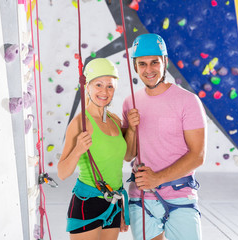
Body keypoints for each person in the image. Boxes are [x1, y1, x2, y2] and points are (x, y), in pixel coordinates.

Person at [122, 33, 207, 240]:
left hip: (180, 195)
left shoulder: (188, 101)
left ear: (165, 62)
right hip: (141, 198)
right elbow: (127, 155)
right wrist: (132, 129)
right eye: (142, 64)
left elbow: (197, 155)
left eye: (154, 62)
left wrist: (157, 178)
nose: (148, 69)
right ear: (135, 67)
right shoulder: (130, 102)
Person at [57, 58, 132, 240]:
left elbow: (128, 156)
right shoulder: (80, 123)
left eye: (110, 86)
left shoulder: (115, 120)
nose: (104, 92)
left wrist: (132, 129)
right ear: (87, 87)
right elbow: (62, 173)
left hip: (113, 203)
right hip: (87, 203)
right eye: (98, 84)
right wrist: (77, 150)